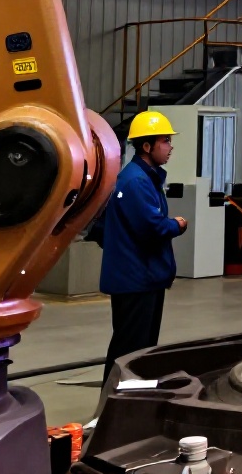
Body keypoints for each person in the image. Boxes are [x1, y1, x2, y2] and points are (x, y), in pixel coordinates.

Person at [100, 110, 187, 372]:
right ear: (147, 146)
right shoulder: (136, 181)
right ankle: (113, 405)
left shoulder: (144, 178)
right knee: (129, 351)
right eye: (165, 141)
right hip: (136, 280)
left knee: (141, 350)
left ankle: (131, 401)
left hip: (143, 278)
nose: (170, 147)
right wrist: (177, 225)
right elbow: (152, 227)